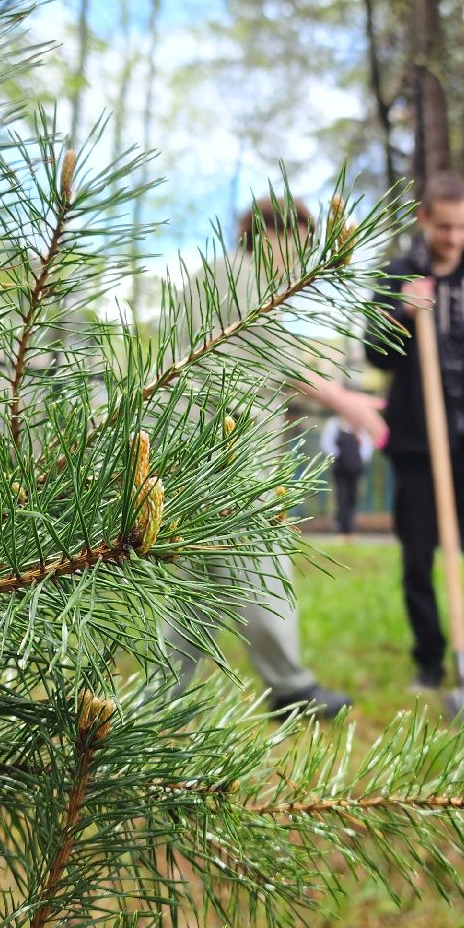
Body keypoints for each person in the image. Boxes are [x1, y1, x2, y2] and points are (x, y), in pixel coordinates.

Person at [163, 197, 389, 719]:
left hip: (201, 447)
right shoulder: (242, 276)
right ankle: (289, 690)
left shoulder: (216, 277)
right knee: (258, 563)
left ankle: (161, 695)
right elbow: (275, 358)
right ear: (267, 234)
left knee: (196, 575)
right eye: (300, 245)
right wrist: (343, 398)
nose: (301, 261)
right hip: (223, 453)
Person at [367, 173, 464, 696]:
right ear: (424, 219)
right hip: (417, 444)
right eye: (445, 227)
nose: (455, 238)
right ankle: (430, 662)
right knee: (418, 556)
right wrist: (402, 314)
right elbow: (374, 354)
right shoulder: (396, 274)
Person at [320, 412, 376, 542]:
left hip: (355, 469)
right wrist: (339, 457)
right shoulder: (335, 424)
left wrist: (359, 460)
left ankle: (350, 528)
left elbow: (367, 446)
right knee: (342, 497)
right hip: (340, 468)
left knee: (353, 498)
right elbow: (327, 444)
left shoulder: (359, 426)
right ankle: (342, 528)